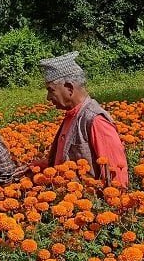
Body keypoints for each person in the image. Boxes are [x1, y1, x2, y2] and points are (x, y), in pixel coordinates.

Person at [35, 51, 129, 186]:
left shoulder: (95, 119)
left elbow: (116, 175)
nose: (48, 97)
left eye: (51, 90)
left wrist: (114, 202)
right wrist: (43, 164)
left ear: (69, 88)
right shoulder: (71, 115)